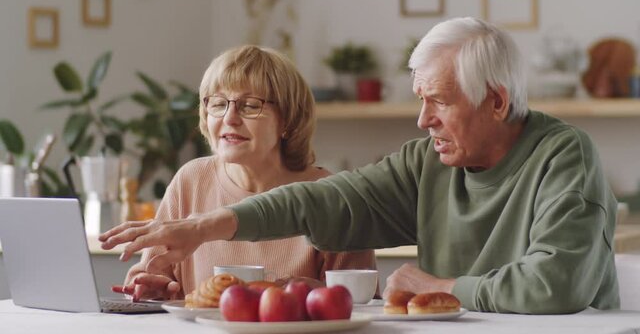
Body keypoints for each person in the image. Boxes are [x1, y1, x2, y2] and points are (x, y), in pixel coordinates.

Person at [101, 18, 619, 314]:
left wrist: (440, 286)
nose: (422, 120)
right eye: (419, 100)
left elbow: (556, 285)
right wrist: (205, 225)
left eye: (438, 101)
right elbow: (327, 201)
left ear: (497, 102)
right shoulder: (429, 164)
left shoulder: (563, 155)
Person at [111, 45, 377, 301]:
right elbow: (150, 274)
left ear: (288, 120)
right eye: (218, 103)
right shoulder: (191, 180)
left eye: (250, 105)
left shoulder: (333, 197)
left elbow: (363, 306)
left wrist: (315, 294)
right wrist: (150, 288)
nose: (230, 118)